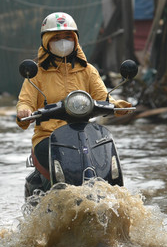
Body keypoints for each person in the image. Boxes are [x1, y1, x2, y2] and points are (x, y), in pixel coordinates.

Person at [15, 12, 131, 179]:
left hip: (85, 135)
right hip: (48, 136)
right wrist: (24, 111)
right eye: (56, 38)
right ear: (46, 41)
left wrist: (118, 105)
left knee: (107, 160)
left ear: (75, 39)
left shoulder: (87, 70)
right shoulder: (36, 73)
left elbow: (103, 98)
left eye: (67, 36)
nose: (63, 42)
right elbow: (26, 101)